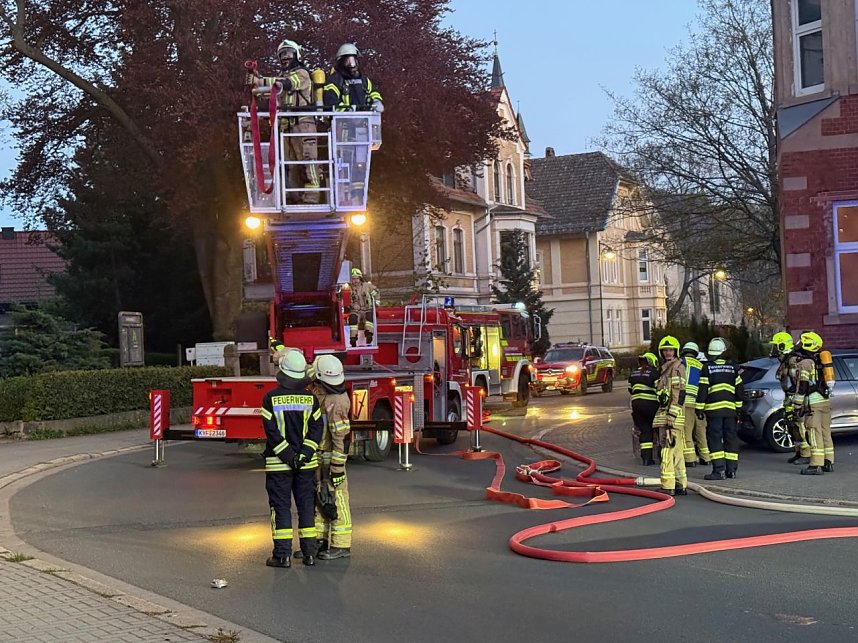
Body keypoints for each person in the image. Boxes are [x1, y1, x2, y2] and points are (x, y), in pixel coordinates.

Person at [260, 349, 323, 567]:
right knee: (306, 506)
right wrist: (304, 454)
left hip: (279, 465)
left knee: (281, 507)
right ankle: (310, 554)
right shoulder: (311, 399)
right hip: (307, 465)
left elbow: (271, 432)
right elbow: (317, 430)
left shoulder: (270, 398)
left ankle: (282, 555)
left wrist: (289, 456)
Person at [250, 38, 320, 204]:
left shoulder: (302, 74)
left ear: (297, 55)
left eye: (288, 53)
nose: (285, 57)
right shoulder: (281, 78)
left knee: (308, 160)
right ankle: (293, 196)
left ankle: (313, 195)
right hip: (286, 128)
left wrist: (261, 81)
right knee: (289, 163)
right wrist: (256, 83)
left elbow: (287, 84)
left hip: (304, 125)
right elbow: (272, 90)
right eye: (282, 54)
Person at [310, 355, 353, 559]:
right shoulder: (324, 391)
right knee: (321, 497)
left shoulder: (336, 401)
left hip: (331, 458)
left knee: (338, 498)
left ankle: (341, 545)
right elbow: (309, 372)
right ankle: (320, 540)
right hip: (320, 457)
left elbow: (340, 440)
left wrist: (336, 468)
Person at [696, 337, 744, 481]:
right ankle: (732, 471)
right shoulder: (733, 368)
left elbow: (703, 390)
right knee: (731, 439)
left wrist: (699, 409)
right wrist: (739, 409)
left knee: (715, 439)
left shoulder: (707, 368)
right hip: (730, 411)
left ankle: (719, 471)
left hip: (714, 412)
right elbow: (739, 390)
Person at [794, 331, 835, 475]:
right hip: (825, 402)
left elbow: (802, 386)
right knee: (825, 432)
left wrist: (797, 405)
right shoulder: (821, 360)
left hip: (813, 405)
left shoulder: (805, 363)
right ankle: (828, 462)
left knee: (814, 433)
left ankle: (816, 465)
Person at [653, 335, 687, 496]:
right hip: (674, 416)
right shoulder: (668, 368)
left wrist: (671, 415)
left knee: (666, 450)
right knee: (677, 451)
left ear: (676, 351)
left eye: (670, 350)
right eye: (665, 350)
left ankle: (667, 486)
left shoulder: (675, 368)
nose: (668, 352)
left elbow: (679, 393)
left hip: (670, 416)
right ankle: (680, 484)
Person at [772, 331, 809, 465]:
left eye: (776, 346)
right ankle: (798, 452)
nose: (775, 349)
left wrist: (795, 400)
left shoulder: (793, 360)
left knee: (799, 425)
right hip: (789, 397)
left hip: (794, 397)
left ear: (782, 345)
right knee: (791, 425)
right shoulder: (786, 359)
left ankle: (806, 454)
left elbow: (795, 381)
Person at [323, 43, 384, 111]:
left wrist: (376, 101)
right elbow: (331, 100)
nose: (352, 65)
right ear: (341, 62)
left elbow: (373, 92)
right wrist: (347, 112)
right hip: (342, 120)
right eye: (347, 61)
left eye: (353, 60)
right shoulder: (335, 80)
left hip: (365, 119)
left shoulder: (364, 80)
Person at [680, 342, 710, 468]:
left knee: (687, 432)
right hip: (699, 404)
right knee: (700, 432)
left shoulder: (680, 362)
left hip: (685, 403)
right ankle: (706, 457)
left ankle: (690, 459)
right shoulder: (701, 365)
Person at [629, 352, 660, 466]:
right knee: (658, 430)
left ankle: (646, 459)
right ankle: (662, 456)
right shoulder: (654, 373)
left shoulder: (633, 373)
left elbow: (630, 390)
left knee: (645, 431)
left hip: (636, 406)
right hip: (651, 406)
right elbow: (659, 389)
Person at [347, 267, 379, 347]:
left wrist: (376, 302)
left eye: (356, 278)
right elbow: (346, 300)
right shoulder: (348, 288)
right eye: (353, 279)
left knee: (369, 317)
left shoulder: (367, 286)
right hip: (355, 311)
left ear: (360, 278)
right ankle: (353, 339)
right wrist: (353, 305)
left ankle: (369, 335)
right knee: (353, 318)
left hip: (366, 309)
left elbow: (376, 292)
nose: (355, 281)